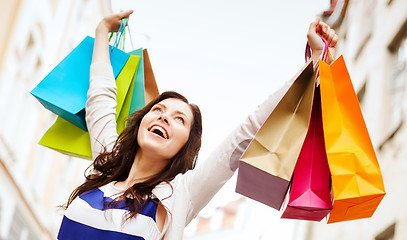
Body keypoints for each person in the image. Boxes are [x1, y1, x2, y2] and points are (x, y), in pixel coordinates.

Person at [57, 10, 338, 240]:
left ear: (186, 145)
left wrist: (314, 61)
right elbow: (100, 98)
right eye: (158, 110)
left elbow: (247, 132)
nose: (164, 117)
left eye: (179, 119)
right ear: (142, 122)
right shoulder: (106, 163)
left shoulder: (181, 195)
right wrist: (101, 32)